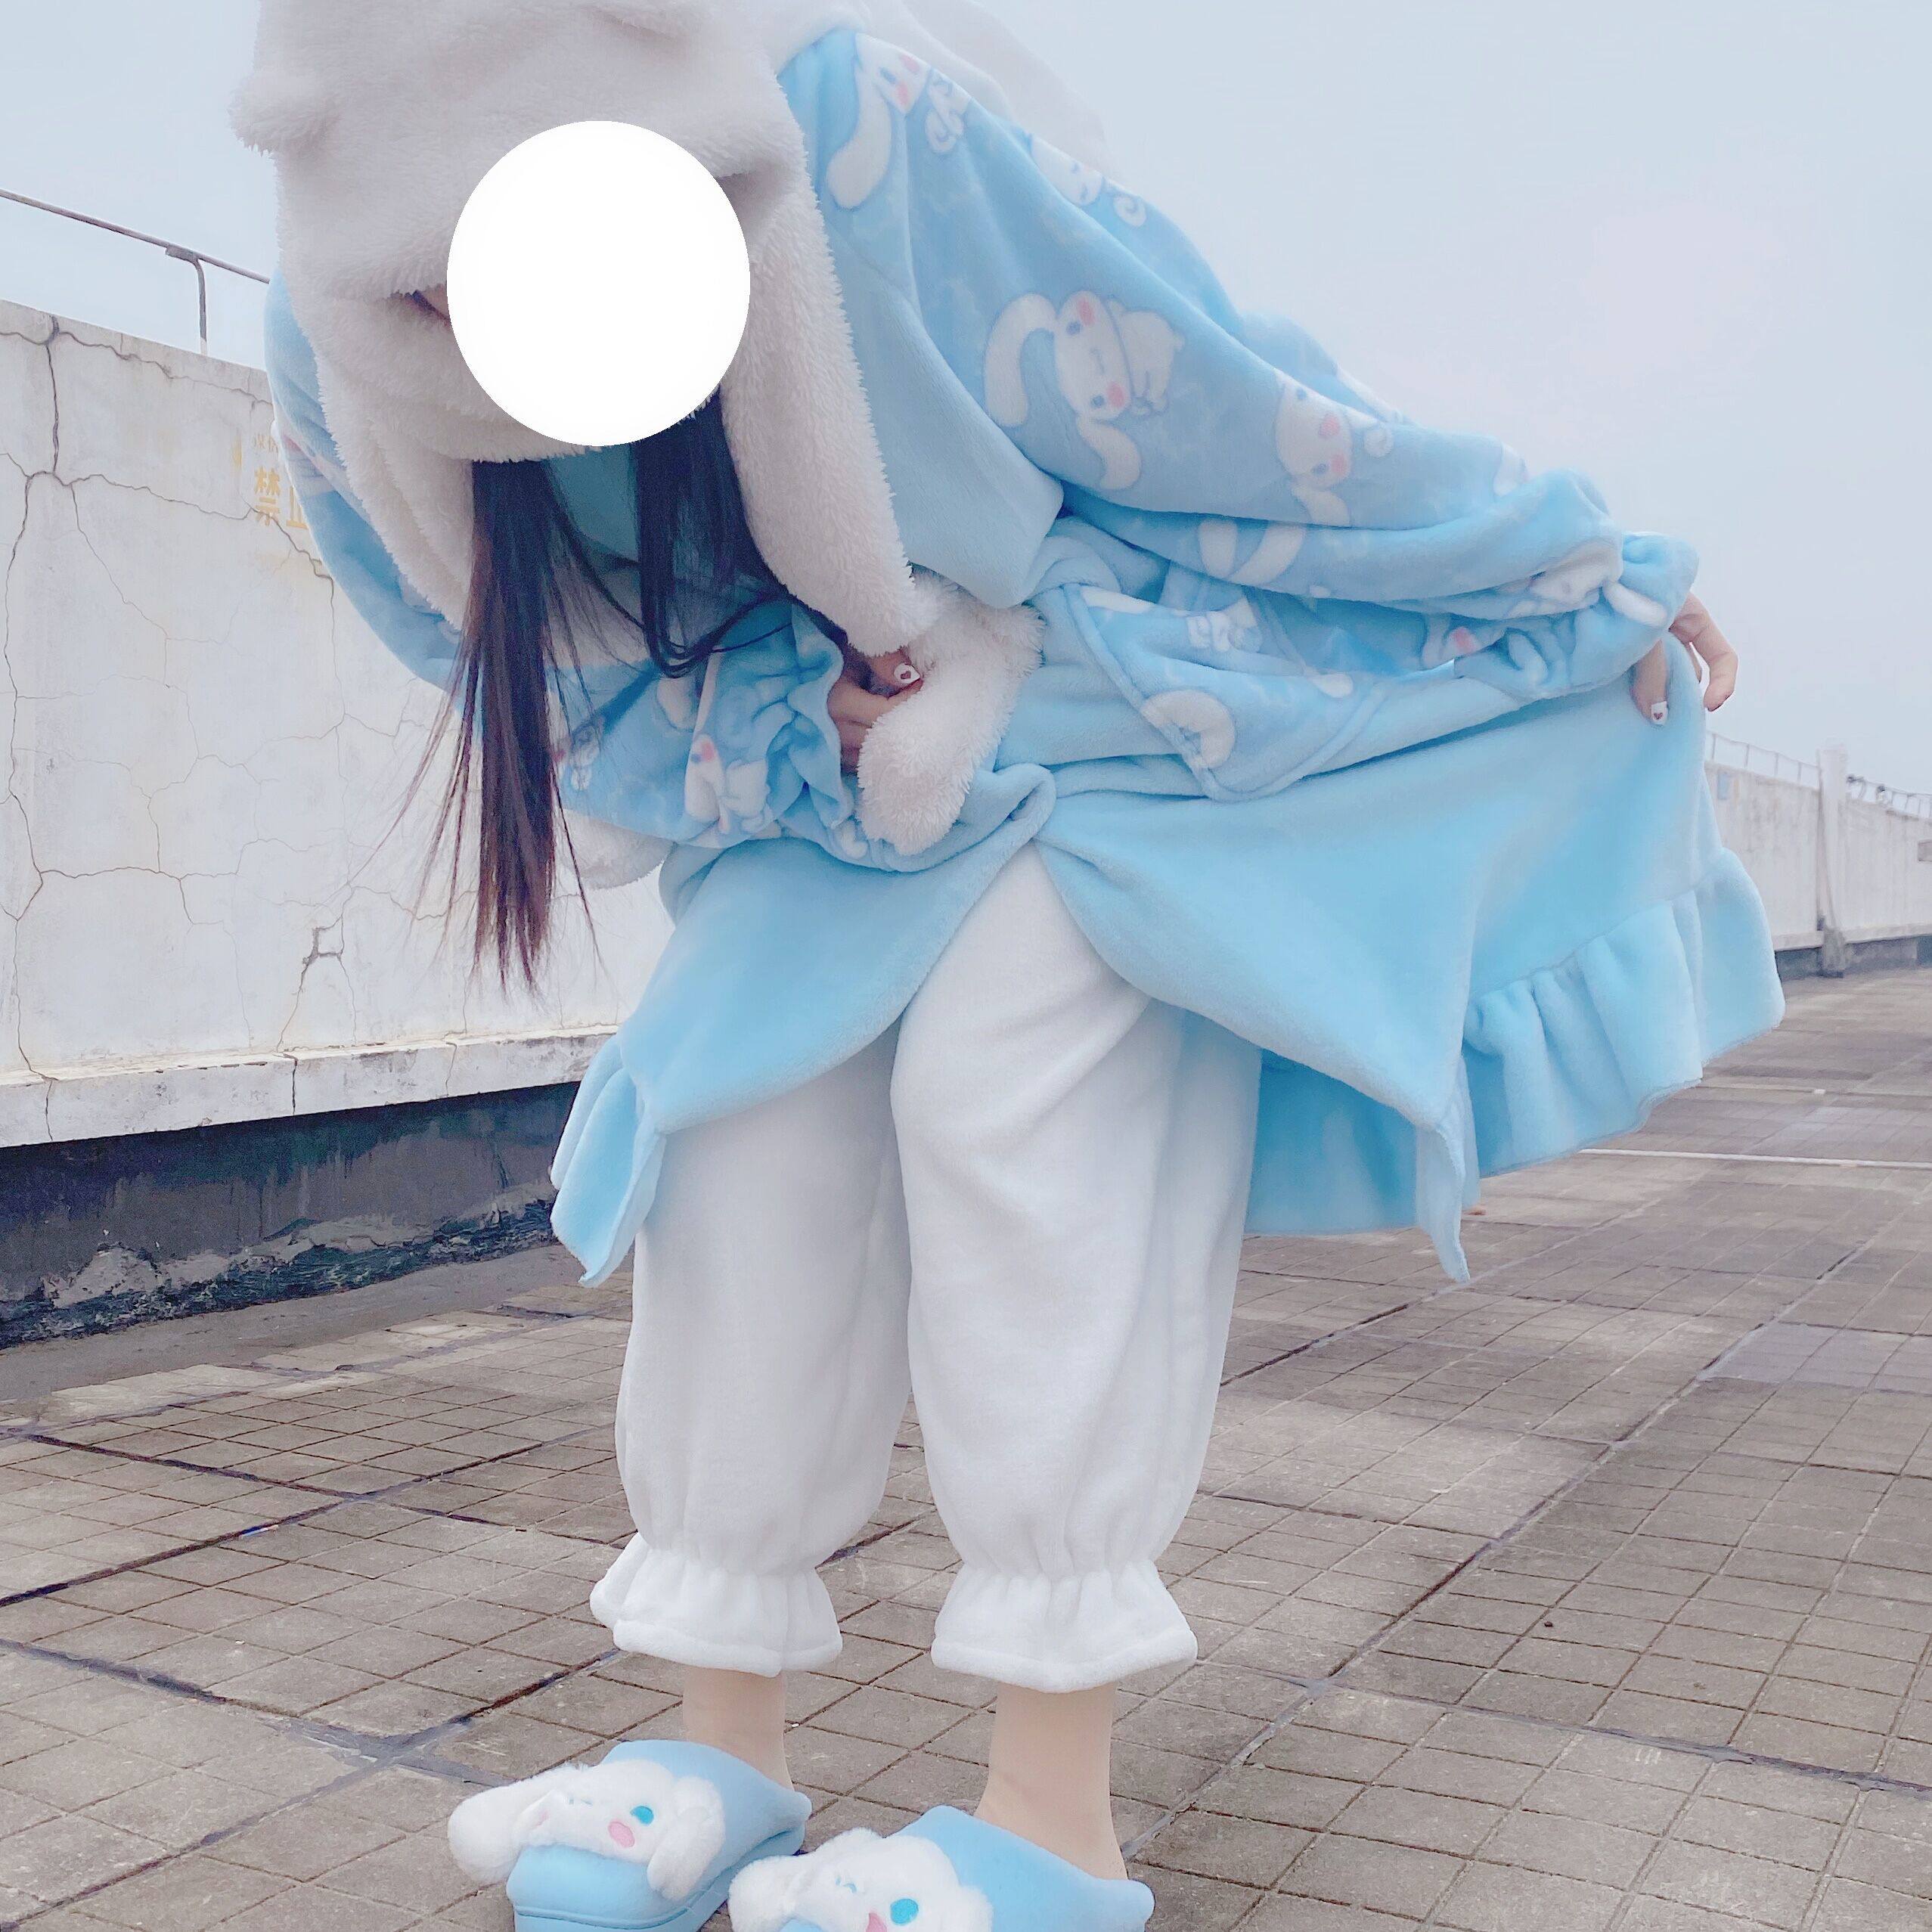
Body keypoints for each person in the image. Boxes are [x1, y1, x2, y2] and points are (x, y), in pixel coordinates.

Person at [240, 2, 1782, 1927]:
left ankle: (1052, 1817)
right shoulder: (335, 318)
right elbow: (526, 669)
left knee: (1026, 1129)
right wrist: (793, 734)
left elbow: (1221, 404)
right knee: (740, 1158)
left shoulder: (843, 119)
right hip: (808, 797)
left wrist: (1560, 563)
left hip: (1084, 723)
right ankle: (720, 1747)